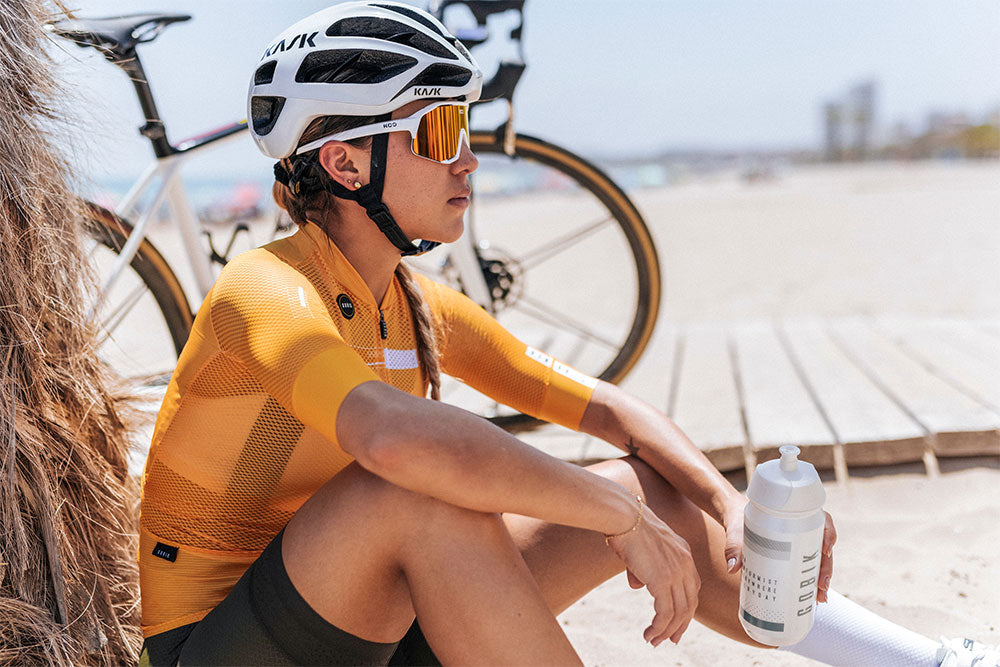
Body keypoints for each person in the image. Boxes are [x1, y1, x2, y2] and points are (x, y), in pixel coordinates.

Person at [136, 3, 998, 666]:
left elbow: (609, 409)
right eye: (439, 132)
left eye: (465, 130)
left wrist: (723, 505)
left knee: (645, 480)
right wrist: (611, 514)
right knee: (418, 490)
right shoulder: (266, 289)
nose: (468, 158)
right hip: (224, 645)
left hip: (366, 629)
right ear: (346, 161)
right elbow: (393, 441)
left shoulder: (409, 301)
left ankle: (913, 659)